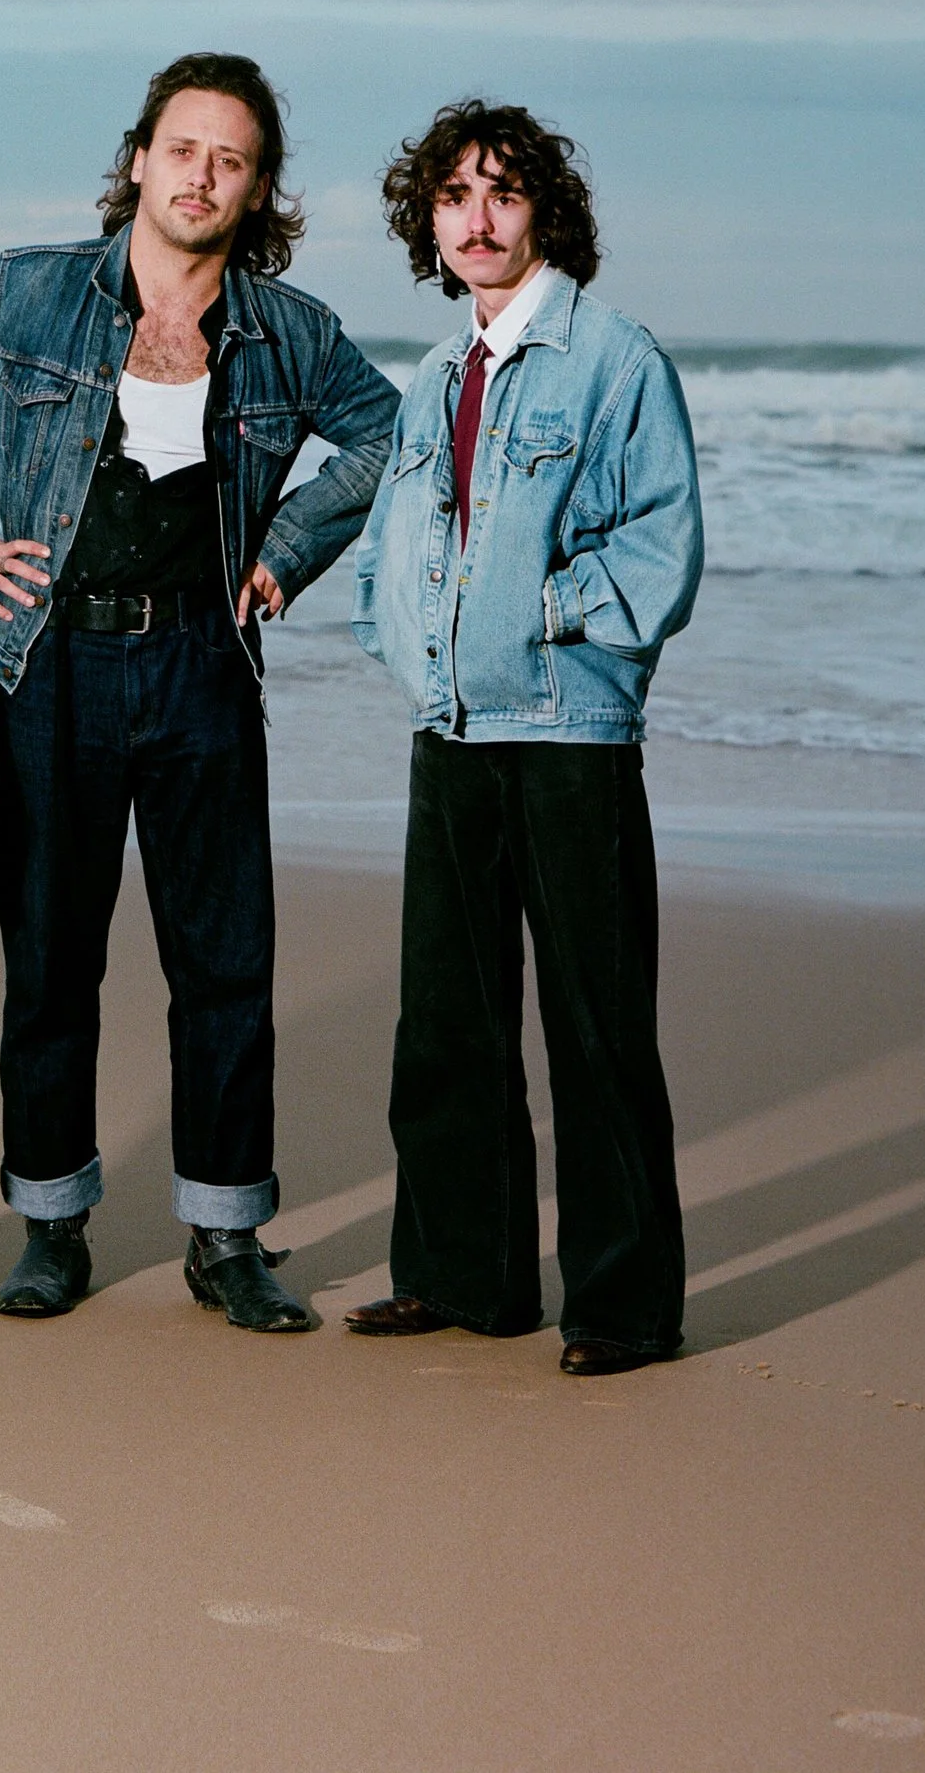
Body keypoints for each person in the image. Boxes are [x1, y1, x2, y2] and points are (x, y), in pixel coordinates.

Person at [0, 54, 399, 1331]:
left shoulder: (294, 331)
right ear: (141, 159)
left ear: (256, 184)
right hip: (55, 662)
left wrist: (286, 553)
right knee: (51, 959)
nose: (202, 175)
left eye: (231, 158)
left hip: (205, 669)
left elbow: (389, 434)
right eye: (183, 149)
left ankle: (226, 1240)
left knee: (223, 962)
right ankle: (52, 1227)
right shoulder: (26, 293)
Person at [344, 99, 702, 1375]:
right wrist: (395, 627)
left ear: (544, 209)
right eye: (452, 198)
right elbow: (401, 542)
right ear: (428, 225)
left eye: (499, 193)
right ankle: (463, 1277)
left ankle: (622, 1307)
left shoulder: (614, 359)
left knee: (597, 1025)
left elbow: (659, 551)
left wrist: (541, 614)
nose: (476, 219)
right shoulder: (438, 374)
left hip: (566, 727)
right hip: (448, 725)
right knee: (446, 1021)